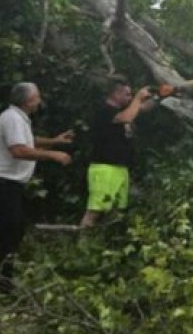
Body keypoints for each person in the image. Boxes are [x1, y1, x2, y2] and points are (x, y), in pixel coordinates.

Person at [0, 82, 73, 292]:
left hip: (12, 185)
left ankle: (5, 279)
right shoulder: (12, 118)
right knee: (9, 232)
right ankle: (4, 283)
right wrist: (53, 155)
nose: (39, 101)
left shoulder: (18, 118)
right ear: (28, 100)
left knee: (13, 230)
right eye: (37, 97)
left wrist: (54, 141)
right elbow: (19, 150)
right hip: (6, 184)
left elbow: (29, 141)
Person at [79, 77, 155, 228]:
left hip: (120, 168)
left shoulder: (123, 109)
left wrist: (162, 96)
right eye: (127, 94)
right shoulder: (103, 110)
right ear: (115, 94)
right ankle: (83, 244)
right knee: (95, 210)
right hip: (104, 168)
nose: (130, 97)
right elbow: (128, 116)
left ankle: (103, 242)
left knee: (117, 212)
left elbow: (143, 107)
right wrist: (138, 97)